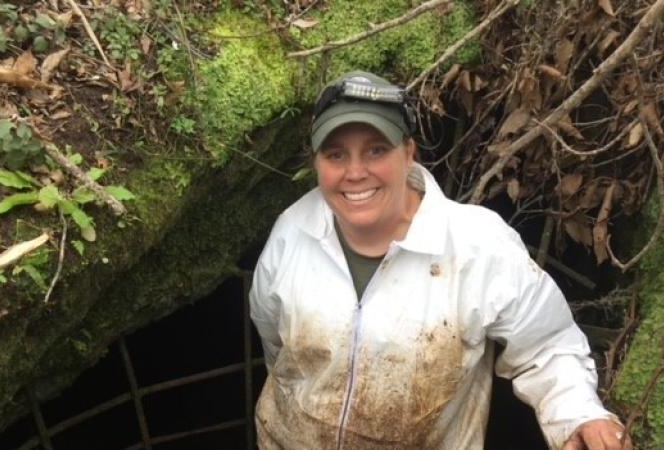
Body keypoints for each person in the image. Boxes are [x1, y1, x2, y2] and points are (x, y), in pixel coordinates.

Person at [248, 71, 632, 450]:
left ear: (408, 153)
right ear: (317, 162)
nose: (355, 172)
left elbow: (547, 344)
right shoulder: (292, 233)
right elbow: (274, 344)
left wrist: (579, 414)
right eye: (336, 154)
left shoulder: (477, 246)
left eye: (376, 150)